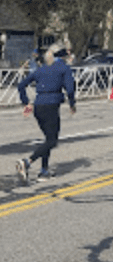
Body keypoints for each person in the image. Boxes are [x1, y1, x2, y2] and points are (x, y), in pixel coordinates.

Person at [16, 45, 76, 182]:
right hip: (51, 106)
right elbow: (71, 89)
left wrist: (27, 103)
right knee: (52, 141)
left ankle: (44, 171)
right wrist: (72, 104)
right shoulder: (64, 68)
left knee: (48, 139)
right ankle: (27, 162)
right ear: (64, 56)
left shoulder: (41, 69)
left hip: (38, 106)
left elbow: (21, 85)